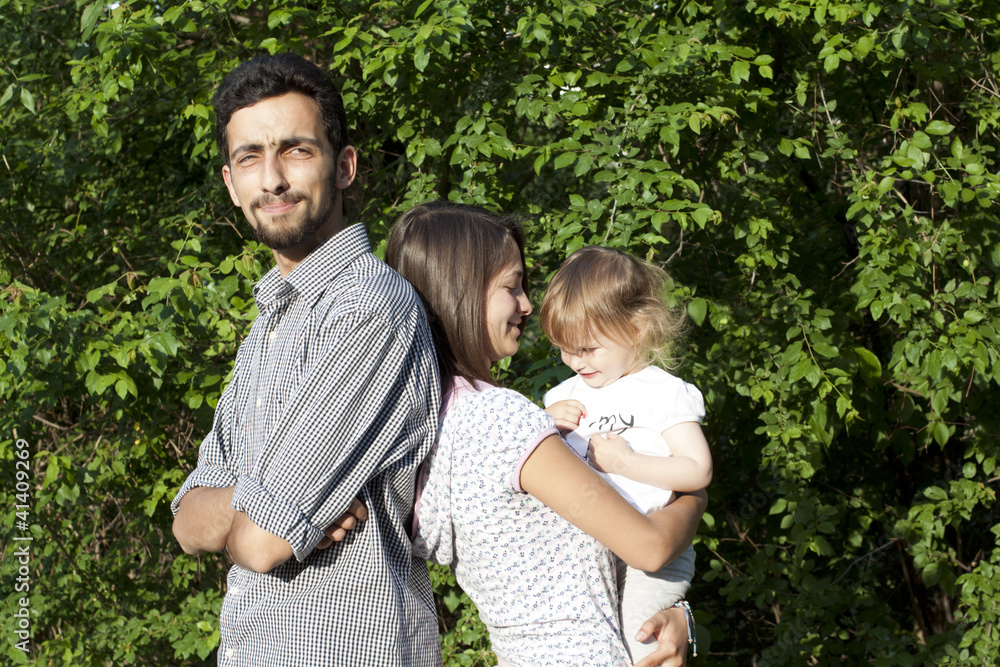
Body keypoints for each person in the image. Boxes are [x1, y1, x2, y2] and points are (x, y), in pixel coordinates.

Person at [169, 53, 442, 666]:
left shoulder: (371, 309)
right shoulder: (271, 319)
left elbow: (262, 544)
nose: (271, 180)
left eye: (295, 150)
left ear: (343, 166)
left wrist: (253, 516)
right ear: (230, 184)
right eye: (249, 158)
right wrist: (263, 499)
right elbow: (187, 520)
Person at [386, 201, 706, 667]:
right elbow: (651, 546)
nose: (526, 304)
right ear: (461, 292)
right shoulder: (499, 419)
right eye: (511, 287)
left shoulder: (424, 420)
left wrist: (678, 617)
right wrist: (694, 496)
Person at [539, 246, 713, 662]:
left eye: (588, 349)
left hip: (651, 556)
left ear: (635, 329)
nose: (574, 361)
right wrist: (545, 425)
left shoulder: (663, 392)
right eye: (565, 349)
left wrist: (627, 463)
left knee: (640, 645)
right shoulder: (561, 396)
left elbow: (697, 470)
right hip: (586, 549)